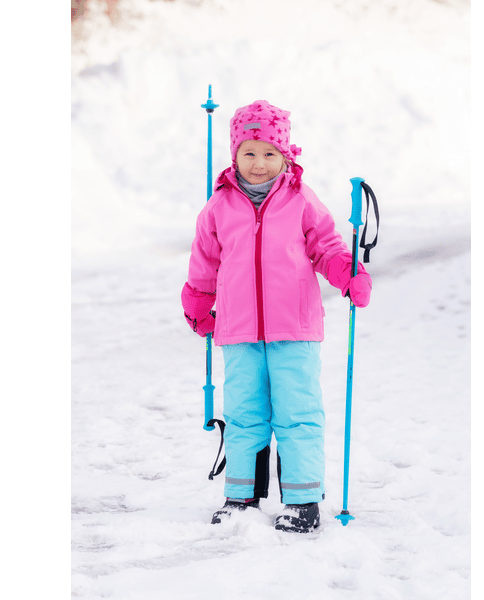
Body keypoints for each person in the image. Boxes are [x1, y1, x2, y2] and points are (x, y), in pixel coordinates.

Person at [182, 100, 371, 533]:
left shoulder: (302, 200)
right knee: (245, 413)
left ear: (286, 155)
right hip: (238, 329)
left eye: (269, 153)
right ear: (235, 156)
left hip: (295, 328)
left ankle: (303, 500)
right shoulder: (219, 207)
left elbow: (327, 247)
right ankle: (241, 496)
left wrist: (347, 274)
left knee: (297, 412)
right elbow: (205, 261)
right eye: (249, 153)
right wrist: (197, 299)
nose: (259, 163)